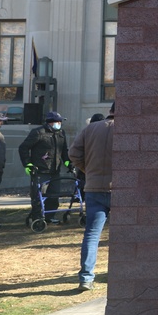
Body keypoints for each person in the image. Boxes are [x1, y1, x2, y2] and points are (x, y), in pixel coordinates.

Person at [69, 102, 114, 291]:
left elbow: (73, 153)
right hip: (120, 188)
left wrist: (89, 171)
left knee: (92, 235)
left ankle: (86, 277)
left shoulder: (91, 128)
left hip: (94, 187)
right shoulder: (130, 129)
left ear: (110, 111)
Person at [18, 110, 71, 225]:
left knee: (54, 195)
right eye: (58, 122)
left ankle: (49, 216)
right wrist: (28, 164)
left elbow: (64, 151)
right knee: (38, 196)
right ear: (51, 122)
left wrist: (67, 162)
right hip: (40, 170)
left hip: (55, 170)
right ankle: (37, 218)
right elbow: (23, 148)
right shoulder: (38, 132)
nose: (60, 124)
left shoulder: (61, 133)